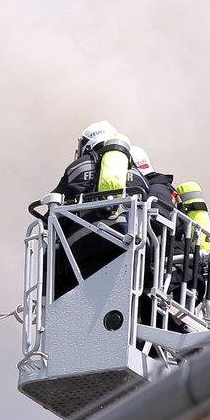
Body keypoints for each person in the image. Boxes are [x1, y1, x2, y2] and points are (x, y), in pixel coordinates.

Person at [48, 121, 149, 297]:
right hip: (129, 247)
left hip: (84, 250)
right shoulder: (136, 173)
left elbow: (56, 206)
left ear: (87, 144)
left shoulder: (80, 166)